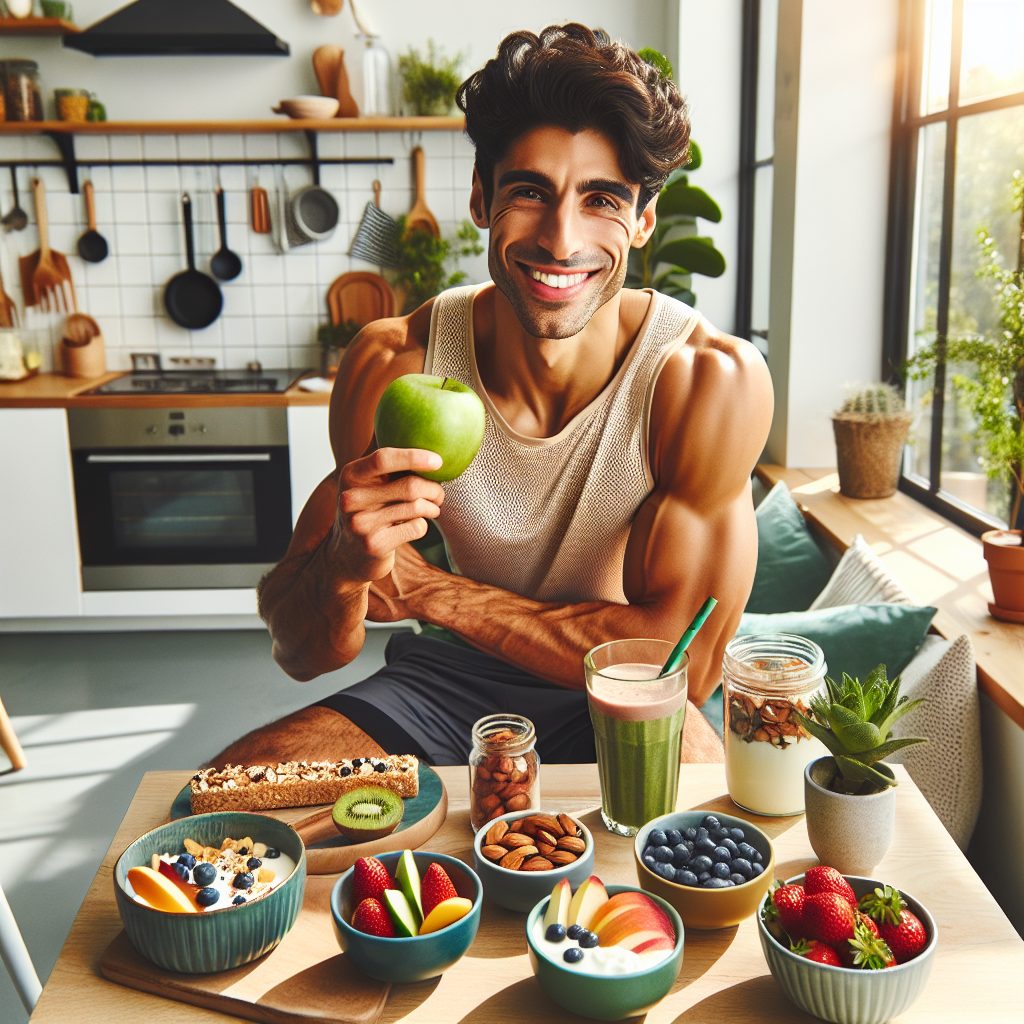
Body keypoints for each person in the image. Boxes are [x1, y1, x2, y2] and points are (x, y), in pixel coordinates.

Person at [211, 23, 772, 769]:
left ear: (642, 221)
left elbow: (680, 665)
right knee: (233, 790)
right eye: (530, 191)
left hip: (623, 695)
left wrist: (433, 594)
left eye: (602, 200)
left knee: (695, 819)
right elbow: (300, 650)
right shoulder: (397, 362)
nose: (561, 240)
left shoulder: (701, 381)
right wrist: (342, 571)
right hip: (451, 679)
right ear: (481, 197)